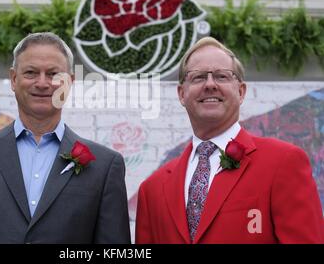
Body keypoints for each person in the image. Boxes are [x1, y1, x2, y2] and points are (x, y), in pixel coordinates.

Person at [0, 32, 130, 243]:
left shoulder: (105, 166)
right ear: (14, 79)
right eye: (31, 72)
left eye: (53, 74)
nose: (42, 83)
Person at [135, 36, 323, 244]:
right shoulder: (152, 189)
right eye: (197, 77)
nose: (210, 84)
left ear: (241, 91)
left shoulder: (283, 162)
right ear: (181, 94)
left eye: (221, 76)